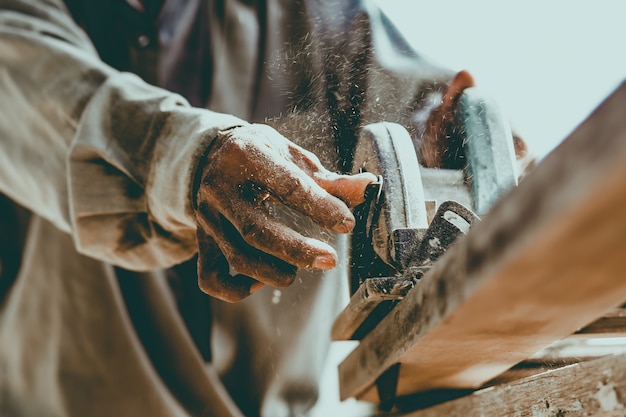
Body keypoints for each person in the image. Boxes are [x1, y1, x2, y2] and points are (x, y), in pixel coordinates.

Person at [0, 1, 531, 416]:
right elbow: (40, 90)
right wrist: (188, 156)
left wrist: (440, 148)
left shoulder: (318, 16)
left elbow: (417, 124)